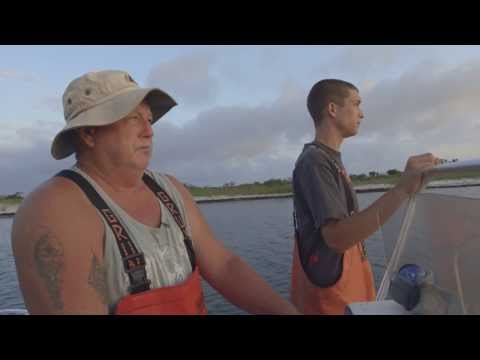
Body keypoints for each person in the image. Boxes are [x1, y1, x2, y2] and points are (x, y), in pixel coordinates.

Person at [11, 70, 300, 315]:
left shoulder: (171, 190)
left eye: (148, 119)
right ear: (88, 133)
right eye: (132, 118)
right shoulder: (55, 211)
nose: (149, 131)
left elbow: (224, 266)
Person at [290, 79, 440, 315]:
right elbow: (337, 238)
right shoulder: (314, 162)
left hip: (347, 298)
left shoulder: (328, 159)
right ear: (332, 109)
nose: (362, 113)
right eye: (356, 104)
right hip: (331, 303)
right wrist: (401, 189)